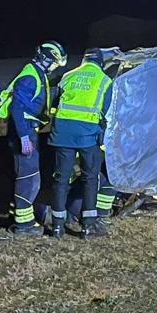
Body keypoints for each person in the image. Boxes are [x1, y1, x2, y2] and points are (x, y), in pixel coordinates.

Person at [0, 41, 67, 235]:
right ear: (45, 59)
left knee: (27, 176)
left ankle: (19, 216)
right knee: (28, 178)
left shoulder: (36, 74)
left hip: (28, 130)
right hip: (24, 131)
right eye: (54, 63)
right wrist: (23, 137)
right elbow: (17, 107)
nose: (55, 67)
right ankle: (24, 224)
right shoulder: (30, 77)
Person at [48, 48, 113, 239]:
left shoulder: (68, 76)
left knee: (61, 179)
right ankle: (87, 227)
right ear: (100, 63)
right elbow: (106, 112)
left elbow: (54, 104)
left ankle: (58, 226)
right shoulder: (104, 80)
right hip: (88, 136)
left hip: (63, 134)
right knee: (90, 179)